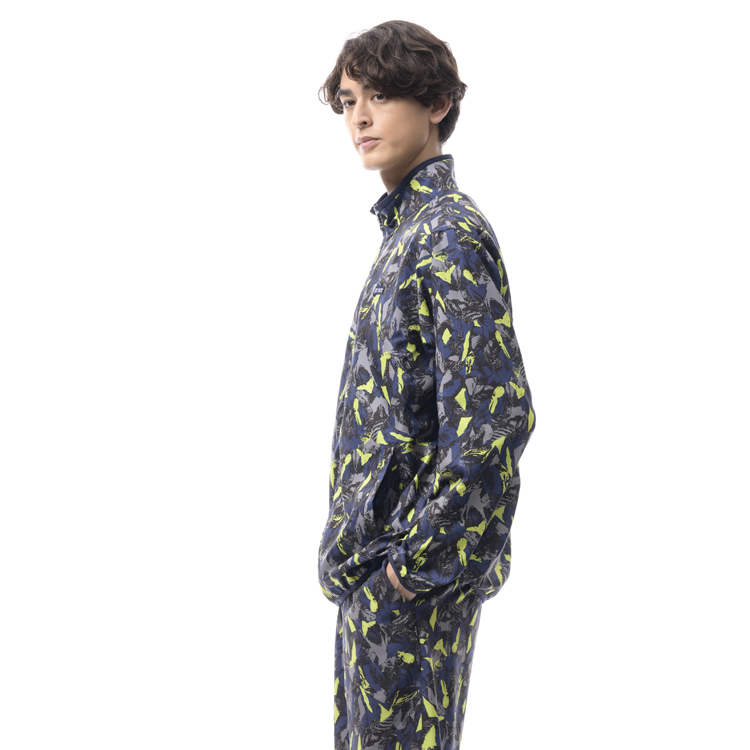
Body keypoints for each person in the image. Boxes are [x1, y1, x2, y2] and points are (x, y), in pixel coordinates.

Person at [317, 20, 537, 750]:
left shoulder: (447, 233)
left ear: (437, 103)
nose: (360, 117)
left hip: (411, 594)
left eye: (381, 96)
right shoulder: (406, 238)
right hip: (373, 586)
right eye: (349, 100)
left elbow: (494, 421)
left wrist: (411, 573)